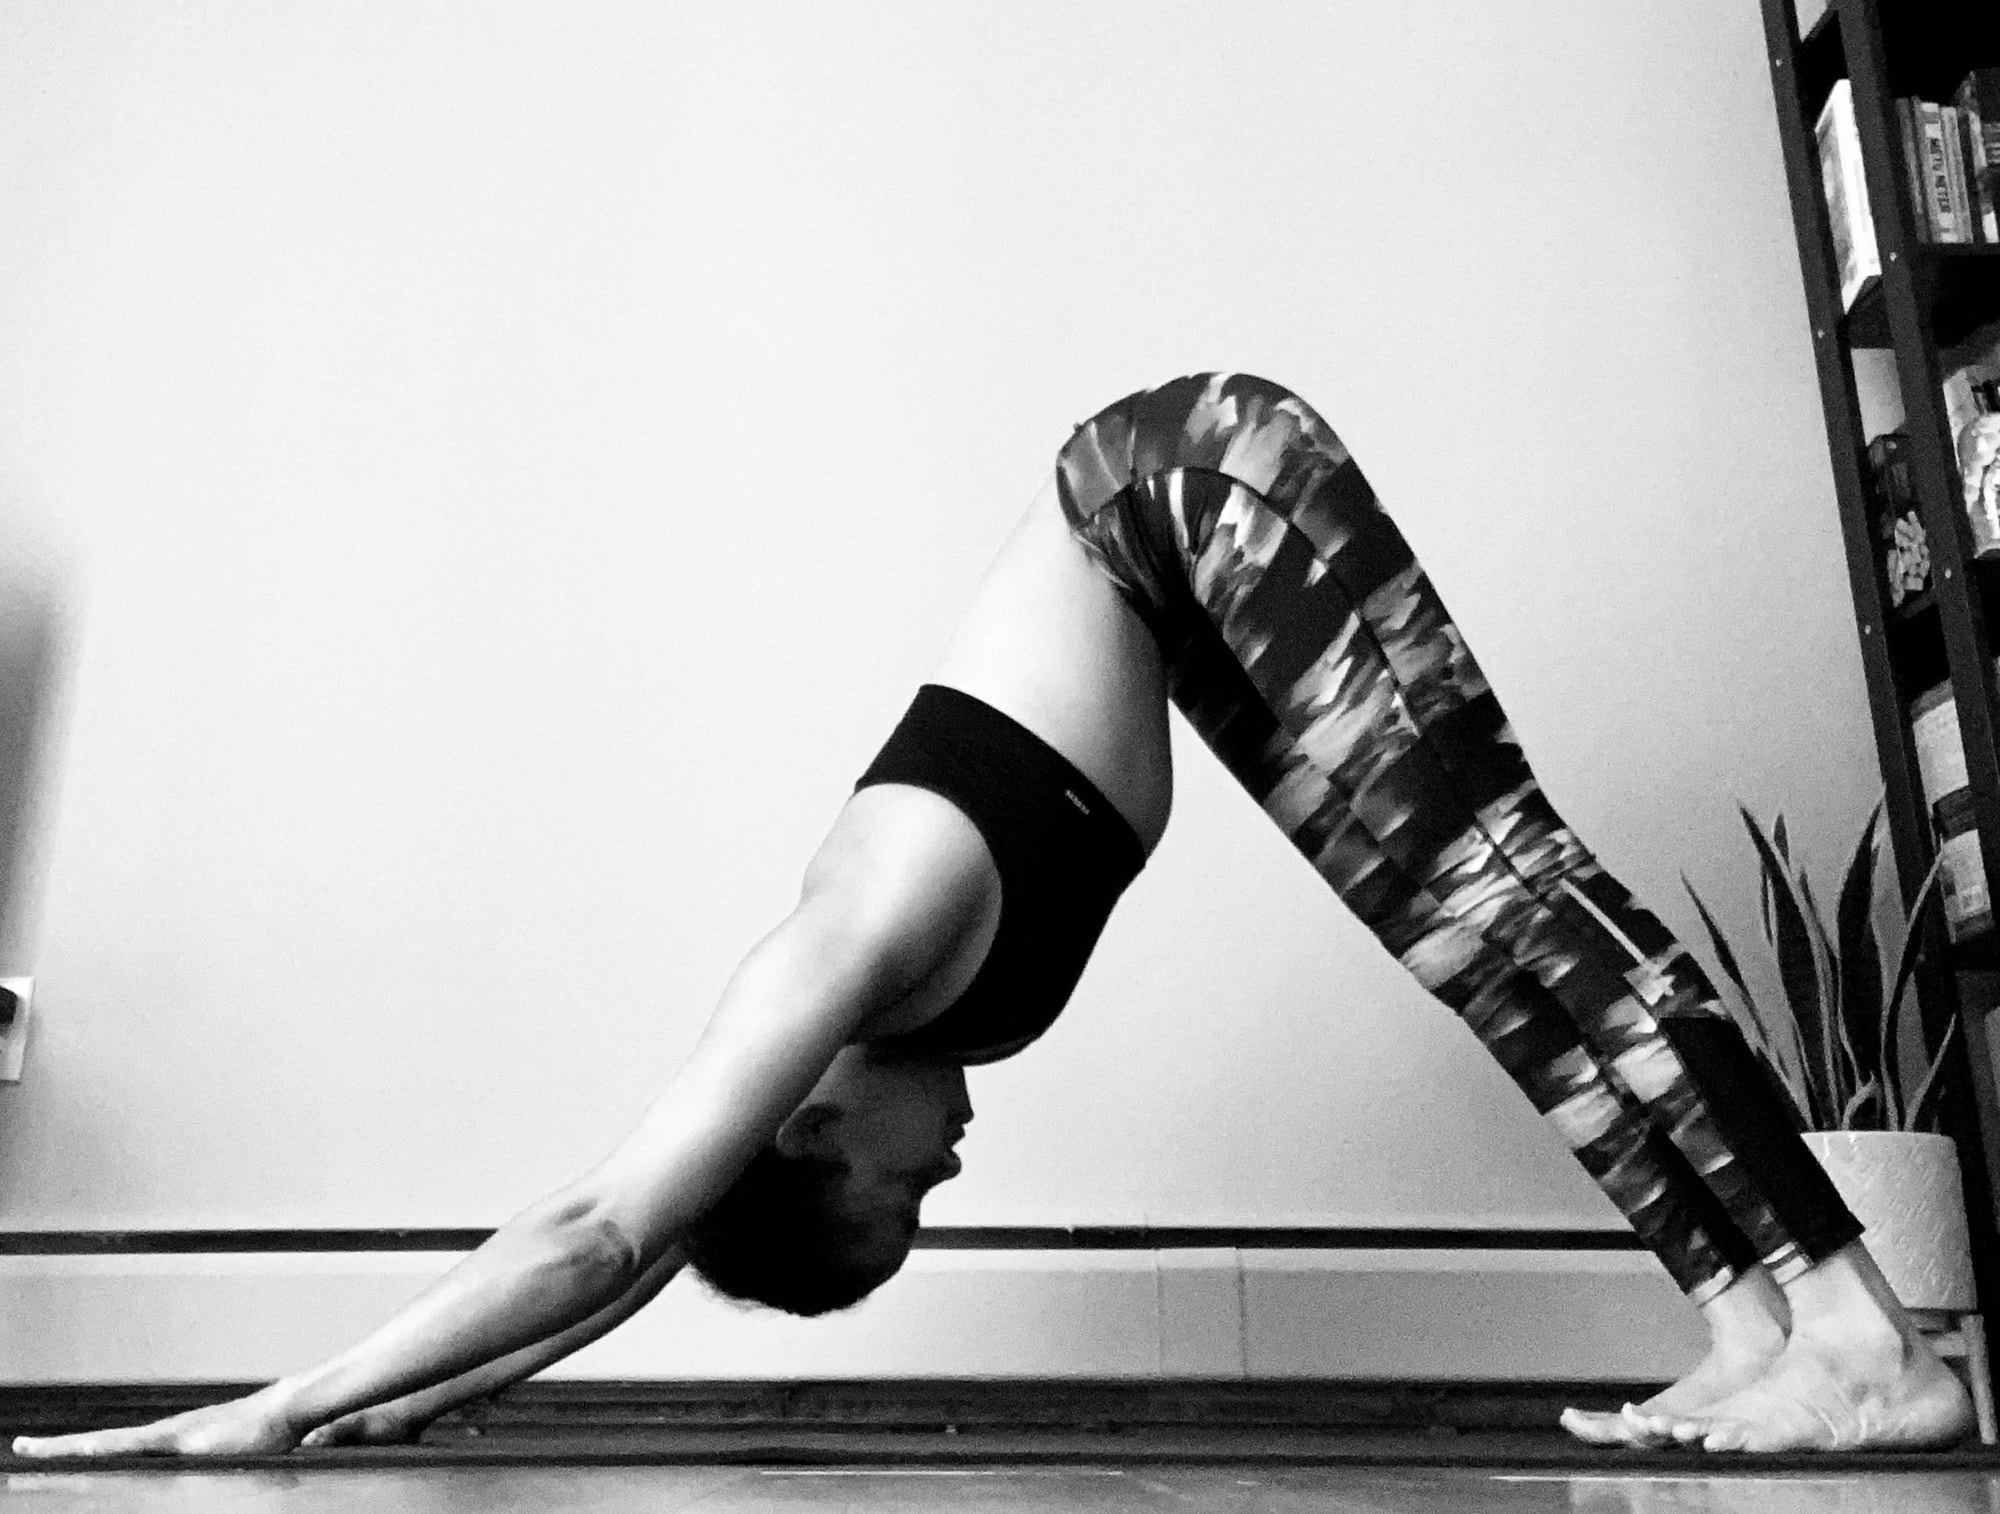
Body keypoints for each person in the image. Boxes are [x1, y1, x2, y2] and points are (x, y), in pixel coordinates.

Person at [11, 374, 1973, 1459]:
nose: (954, 1164)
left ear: (814, 1127)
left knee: (1515, 890)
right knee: (1479, 957)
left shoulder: (834, 956)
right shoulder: (862, 1031)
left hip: (1187, 490)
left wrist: (269, 1404)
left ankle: (1863, 1333)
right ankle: (1743, 1317)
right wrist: (422, 1401)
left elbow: (602, 1219)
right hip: (1188, 590)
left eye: (905, 1192)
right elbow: (626, 1273)